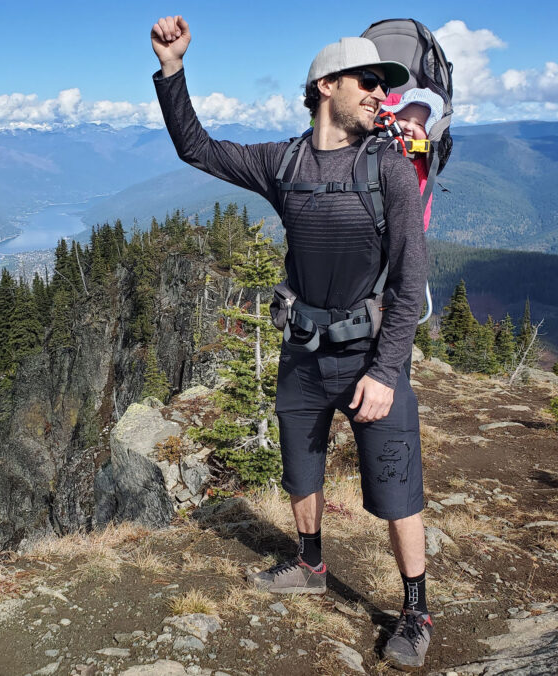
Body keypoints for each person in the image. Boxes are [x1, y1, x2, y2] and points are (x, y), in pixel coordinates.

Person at [151, 16, 432, 668]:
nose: (379, 94)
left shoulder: (388, 167)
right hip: (303, 353)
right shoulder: (283, 163)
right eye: (367, 82)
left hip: (368, 358)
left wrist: (387, 373)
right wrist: (172, 69)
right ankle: (309, 563)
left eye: (384, 85)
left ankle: (415, 609)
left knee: (396, 487)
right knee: (299, 470)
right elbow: (197, 148)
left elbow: (411, 277)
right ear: (325, 84)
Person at [381, 88, 445, 231]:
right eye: (403, 119)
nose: (409, 127)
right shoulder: (378, 147)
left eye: (420, 125)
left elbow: (421, 212)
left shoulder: (421, 167)